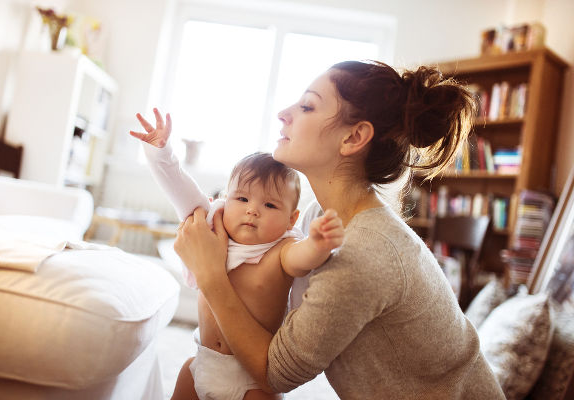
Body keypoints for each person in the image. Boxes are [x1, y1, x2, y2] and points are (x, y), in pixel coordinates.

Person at [173, 60, 507, 399]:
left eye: (307, 106)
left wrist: (210, 275)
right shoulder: (323, 217)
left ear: (353, 137)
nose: (284, 114)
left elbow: (275, 374)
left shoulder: (362, 250)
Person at [130, 109, 345, 400]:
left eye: (270, 205)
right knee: (184, 375)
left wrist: (318, 243)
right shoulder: (214, 226)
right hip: (203, 364)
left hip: (252, 381)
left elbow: (302, 259)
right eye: (242, 198)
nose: (252, 210)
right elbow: (181, 189)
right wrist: (161, 153)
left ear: (291, 219)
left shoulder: (282, 250)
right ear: (225, 199)